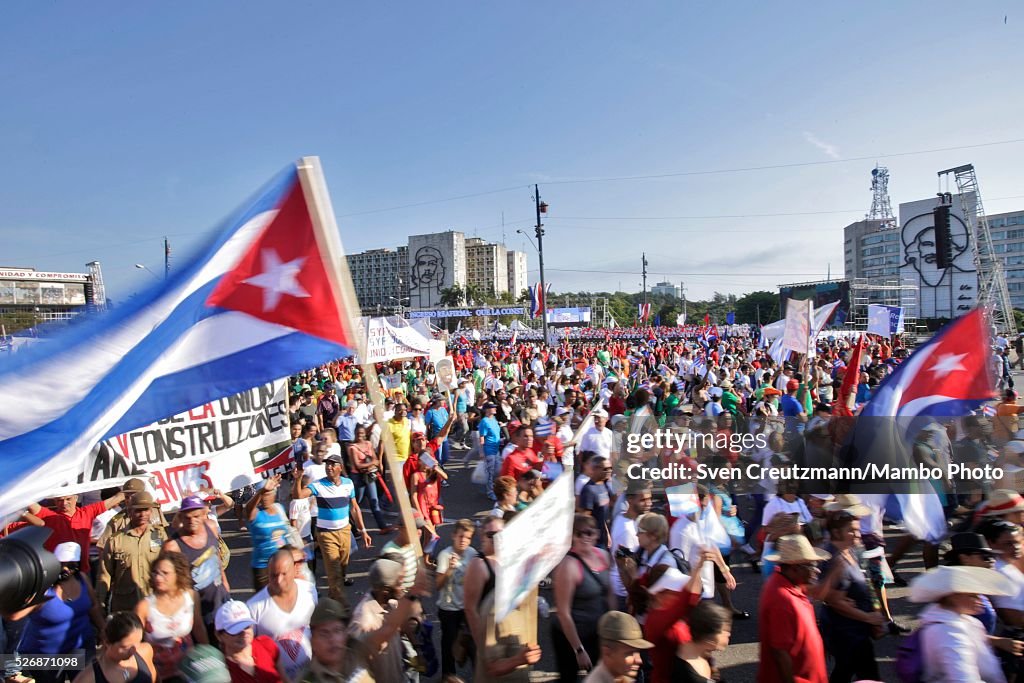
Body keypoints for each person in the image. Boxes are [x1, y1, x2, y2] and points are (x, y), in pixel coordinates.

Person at [463, 515, 542, 681]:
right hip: (491, 638)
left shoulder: (509, 561)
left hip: (511, 635)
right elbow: (470, 609)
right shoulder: (478, 565)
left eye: (501, 534)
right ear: (482, 536)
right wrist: (483, 646)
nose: (497, 538)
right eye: (491, 535)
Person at [14, 543, 105, 683]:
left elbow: (93, 605)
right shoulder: (42, 587)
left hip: (80, 647)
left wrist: (103, 629)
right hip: (45, 655)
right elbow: (15, 615)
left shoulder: (82, 579)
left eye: (71, 564)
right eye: (62, 563)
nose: (66, 569)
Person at [910, 565, 1016, 683]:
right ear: (954, 597)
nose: (980, 600)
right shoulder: (950, 633)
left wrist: (996, 641)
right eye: (973, 596)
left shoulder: (958, 620)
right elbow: (963, 679)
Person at [293, 454, 372, 603]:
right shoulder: (318, 485)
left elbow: (354, 508)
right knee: (334, 572)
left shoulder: (348, 484)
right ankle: (341, 608)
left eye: (332, 464)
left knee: (342, 567)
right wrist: (298, 479)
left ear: (340, 468)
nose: (328, 467)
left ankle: (332, 598)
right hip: (326, 535)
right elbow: (298, 495)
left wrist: (363, 531)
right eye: (327, 464)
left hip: (345, 532)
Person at [817, 512, 885, 683]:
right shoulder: (834, 558)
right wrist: (869, 618)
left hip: (856, 631)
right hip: (847, 633)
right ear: (836, 532)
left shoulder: (849, 550)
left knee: (845, 671)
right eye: (851, 530)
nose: (857, 534)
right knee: (867, 675)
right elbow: (835, 601)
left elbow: (865, 583)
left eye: (858, 529)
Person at [757, 535, 829, 683]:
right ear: (794, 568)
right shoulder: (782, 599)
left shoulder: (791, 584)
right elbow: (780, 652)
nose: (817, 571)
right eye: (811, 566)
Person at [349, 557, 432, 683]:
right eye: (399, 583)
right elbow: (357, 671)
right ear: (385, 591)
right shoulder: (363, 622)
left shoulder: (391, 602)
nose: (403, 587)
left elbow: (401, 625)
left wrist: (417, 649)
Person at [552, 515, 614, 681]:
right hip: (571, 637)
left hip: (598, 634)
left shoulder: (604, 556)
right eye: (579, 534)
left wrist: (613, 624)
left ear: (596, 534)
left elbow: (610, 594)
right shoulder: (568, 566)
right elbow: (563, 613)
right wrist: (578, 650)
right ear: (572, 537)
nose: (584, 537)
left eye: (589, 532)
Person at [135, 551, 208, 682]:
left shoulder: (191, 597)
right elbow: (135, 643)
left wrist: (208, 655)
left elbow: (198, 627)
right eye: (156, 573)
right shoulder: (144, 607)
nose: (158, 578)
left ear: (178, 574)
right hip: (159, 675)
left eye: (165, 573)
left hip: (188, 671)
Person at [163, 496, 230, 637]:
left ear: (203, 513)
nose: (192, 521)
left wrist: (225, 583)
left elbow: (216, 555)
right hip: (197, 610)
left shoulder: (211, 526)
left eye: (196, 516)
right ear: (180, 517)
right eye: (187, 517)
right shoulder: (172, 546)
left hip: (221, 598)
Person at [246, 550, 317, 681]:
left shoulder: (309, 590)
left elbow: (316, 628)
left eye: (284, 574)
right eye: (274, 575)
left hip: (311, 675)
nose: (279, 580)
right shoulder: (253, 607)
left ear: (294, 570)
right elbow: (250, 649)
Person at [96, 491, 168, 614]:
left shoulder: (159, 535)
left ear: (151, 511)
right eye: (138, 510)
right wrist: (100, 604)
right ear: (129, 512)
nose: (143, 514)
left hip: (154, 604)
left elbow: (168, 566)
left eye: (146, 510)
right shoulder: (116, 540)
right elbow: (105, 574)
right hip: (126, 605)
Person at [38, 490, 125, 576]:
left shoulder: (87, 512)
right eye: (60, 500)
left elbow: (117, 498)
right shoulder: (49, 516)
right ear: (55, 501)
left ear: (76, 498)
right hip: (57, 572)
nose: (64, 503)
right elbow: (30, 505)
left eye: (68, 499)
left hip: (83, 570)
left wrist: (133, 486)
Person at [436, 519, 478, 682]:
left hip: (467, 608)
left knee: (473, 645)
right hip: (449, 610)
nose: (463, 541)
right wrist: (450, 570)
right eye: (461, 536)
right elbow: (438, 585)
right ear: (453, 536)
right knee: (449, 647)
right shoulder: (445, 555)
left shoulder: (472, 554)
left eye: (468, 538)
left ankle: (478, 676)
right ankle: (448, 677)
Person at [295, 598, 372, 683]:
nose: (332, 639)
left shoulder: (361, 655)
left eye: (337, 630)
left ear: (345, 634)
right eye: (324, 633)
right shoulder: (307, 680)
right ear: (312, 642)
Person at [73, 613, 157, 683]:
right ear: (107, 643)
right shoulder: (88, 678)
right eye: (126, 647)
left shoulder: (145, 651)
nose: (134, 650)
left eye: (138, 642)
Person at [214, 601, 286, 683]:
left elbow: (285, 680)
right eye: (236, 630)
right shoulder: (219, 669)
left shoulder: (267, 645)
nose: (244, 632)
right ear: (219, 635)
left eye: (247, 626)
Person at [609, 482, 652, 611]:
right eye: (643, 500)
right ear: (630, 499)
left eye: (649, 498)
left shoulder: (624, 517)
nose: (649, 503)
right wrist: (633, 598)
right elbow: (625, 566)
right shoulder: (627, 531)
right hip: (624, 592)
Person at [245, 475, 293, 591]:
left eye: (268, 494)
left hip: (282, 564)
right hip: (263, 567)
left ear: (274, 494)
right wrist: (262, 491)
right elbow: (248, 508)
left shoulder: (280, 509)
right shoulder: (255, 513)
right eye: (263, 495)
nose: (265, 498)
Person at [582, 611, 652, 683]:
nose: (639, 660)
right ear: (608, 652)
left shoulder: (620, 677)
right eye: (630, 653)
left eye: (637, 651)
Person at [347, 424, 393, 534]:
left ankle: (383, 526)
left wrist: (371, 463)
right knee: (356, 502)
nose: (360, 436)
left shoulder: (368, 444)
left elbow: (376, 459)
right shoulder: (352, 447)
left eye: (362, 433)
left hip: (368, 476)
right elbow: (357, 465)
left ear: (365, 434)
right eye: (358, 433)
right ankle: (351, 527)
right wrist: (371, 464)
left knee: (374, 501)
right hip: (358, 477)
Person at [673, 602, 732, 683]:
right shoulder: (694, 678)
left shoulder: (694, 647)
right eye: (725, 631)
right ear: (709, 639)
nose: (728, 634)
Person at [577, 457, 614, 549]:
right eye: (605, 469)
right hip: (596, 541)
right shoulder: (589, 490)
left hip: (605, 536)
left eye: (610, 468)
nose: (609, 471)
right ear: (595, 469)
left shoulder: (604, 485)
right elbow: (586, 518)